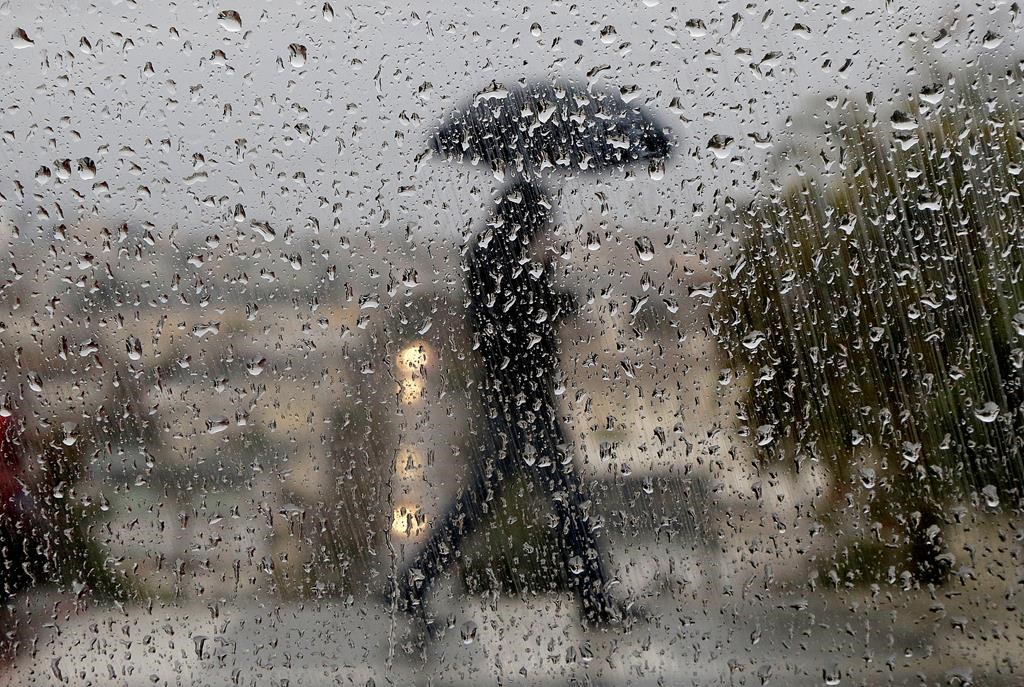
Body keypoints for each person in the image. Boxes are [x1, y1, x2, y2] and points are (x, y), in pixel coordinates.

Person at [394, 181, 633, 628]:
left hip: (512, 395)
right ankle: (596, 601)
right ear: (525, 218)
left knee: (486, 503)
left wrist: (542, 276)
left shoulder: (489, 254)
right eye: (541, 222)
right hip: (521, 398)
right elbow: (521, 317)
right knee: (564, 500)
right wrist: (549, 281)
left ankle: (414, 584)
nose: (546, 231)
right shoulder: (499, 260)